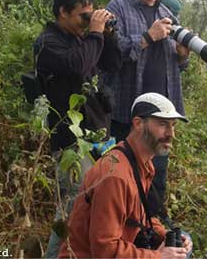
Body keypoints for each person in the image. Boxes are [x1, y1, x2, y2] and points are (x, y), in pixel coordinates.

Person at [34, 0, 121, 258]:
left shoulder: (81, 39)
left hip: (97, 136)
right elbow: (78, 67)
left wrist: (107, 34)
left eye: (90, 15)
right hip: (71, 143)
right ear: (62, 12)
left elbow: (112, 64)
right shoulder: (49, 42)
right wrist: (94, 32)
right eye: (83, 16)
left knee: (97, 204)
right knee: (72, 208)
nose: (87, 21)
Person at [105, 0, 190, 210]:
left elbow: (177, 65)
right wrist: (147, 37)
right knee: (121, 175)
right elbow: (110, 55)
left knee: (156, 176)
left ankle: (153, 227)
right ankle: (121, 228)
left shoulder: (167, 14)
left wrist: (183, 55)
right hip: (126, 113)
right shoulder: (116, 8)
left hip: (162, 115)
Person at [60, 92, 193, 258]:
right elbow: (104, 250)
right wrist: (158, 256)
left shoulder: (140, 162)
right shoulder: (115, 176)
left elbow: (137, 216)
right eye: (162, 124)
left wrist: (163, 234)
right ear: (138, 123)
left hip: (122, 245)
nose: (170, 134)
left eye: (173, 125)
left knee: (184, 240)